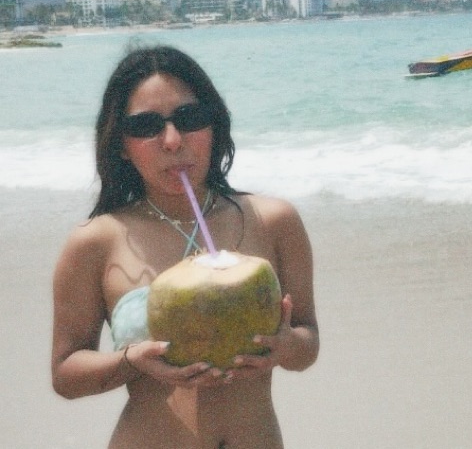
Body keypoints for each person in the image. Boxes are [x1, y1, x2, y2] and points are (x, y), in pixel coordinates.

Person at [51, 45, 319, 449]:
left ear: (214, 125)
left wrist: (285, 345)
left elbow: (307, 343)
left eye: (190, 119)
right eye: (146, 126)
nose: (173, 141)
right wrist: (132, 361)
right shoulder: (96, 241)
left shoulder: (273, 221)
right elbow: (65, 375)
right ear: (121, 143)